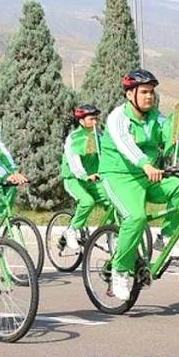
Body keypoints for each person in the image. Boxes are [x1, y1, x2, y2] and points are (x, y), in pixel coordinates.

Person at [99, 69, 179, 301]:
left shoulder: (158, 119)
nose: (149, 96)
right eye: (144, 92)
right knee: (136, 218)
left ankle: (165, 236)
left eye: (152, 92)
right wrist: (145, 164)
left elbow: (178, 143)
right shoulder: (118, 117)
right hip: (118, 176)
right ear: (130, 94)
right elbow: (125, 145)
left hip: (149, 175)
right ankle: (120, 271)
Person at [60, 104, 107, 250]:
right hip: (74, 178)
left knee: (113, 202)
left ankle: (111, 234)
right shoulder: (73, 138)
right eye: (92, 119)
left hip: (94, 179)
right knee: (87, 202)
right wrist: (84, 175)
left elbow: (107, 156)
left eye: (96, 119)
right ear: (81, 121)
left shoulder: (99, 136)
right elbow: (73, 160)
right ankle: (71, 230)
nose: (95, 122)